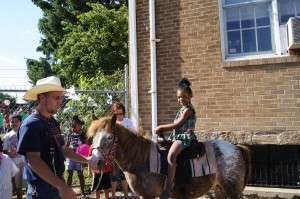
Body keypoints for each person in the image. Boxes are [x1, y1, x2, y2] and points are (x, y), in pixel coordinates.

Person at [17, 76, 90, 199]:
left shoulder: (52, 122)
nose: (60, 102)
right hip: (41, 191)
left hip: (55, 187)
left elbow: (64, 149)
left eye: (61, 98)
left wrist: (88, 159)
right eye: (56, 97)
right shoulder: (31, 124)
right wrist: (61, 186)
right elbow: (33, 160)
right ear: (42, 98)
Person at [155, 78, 197, 198]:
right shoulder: (181, 110)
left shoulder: (188, 110)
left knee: (171, 155)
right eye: (179, 97)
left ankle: (168, 187)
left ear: (190, 96)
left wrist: (161, 127)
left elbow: (177, 125)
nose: (181, 99)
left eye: (184, 96)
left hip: (185, 137)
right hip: (177, 136)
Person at [111, 102, 137, 198]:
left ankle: (126, 195)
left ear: (123, 113)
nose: (119, 116)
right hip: (114, 154)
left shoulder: (127, 121)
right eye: (116, 114)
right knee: (113, 175)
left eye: (121, 113)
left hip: (125, 154)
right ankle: (113, 196)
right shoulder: (112, 123)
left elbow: (135, 133)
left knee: (124, 175)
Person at [3, 114, 24, 199]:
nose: (14, 123)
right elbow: (4, 150)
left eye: (16, 121)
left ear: (20, 122)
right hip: (12, 163)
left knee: (22, 184)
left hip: (24, 162)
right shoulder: (7, 136)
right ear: (9, 122)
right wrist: (8, 153)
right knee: (14, 185)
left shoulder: (24, 132)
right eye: (12, 121)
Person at [66, 115, 86, 195]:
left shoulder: (82, 134)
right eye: (79, 125)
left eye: (81, 125)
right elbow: (67, 145)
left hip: (79, 157)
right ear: (74, 125)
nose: (80, 126)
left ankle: (83, 192)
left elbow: (85, 145)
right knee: (70, 173)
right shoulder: (69, 134)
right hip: (71, 157)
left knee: (80, 174)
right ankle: (68, 192)